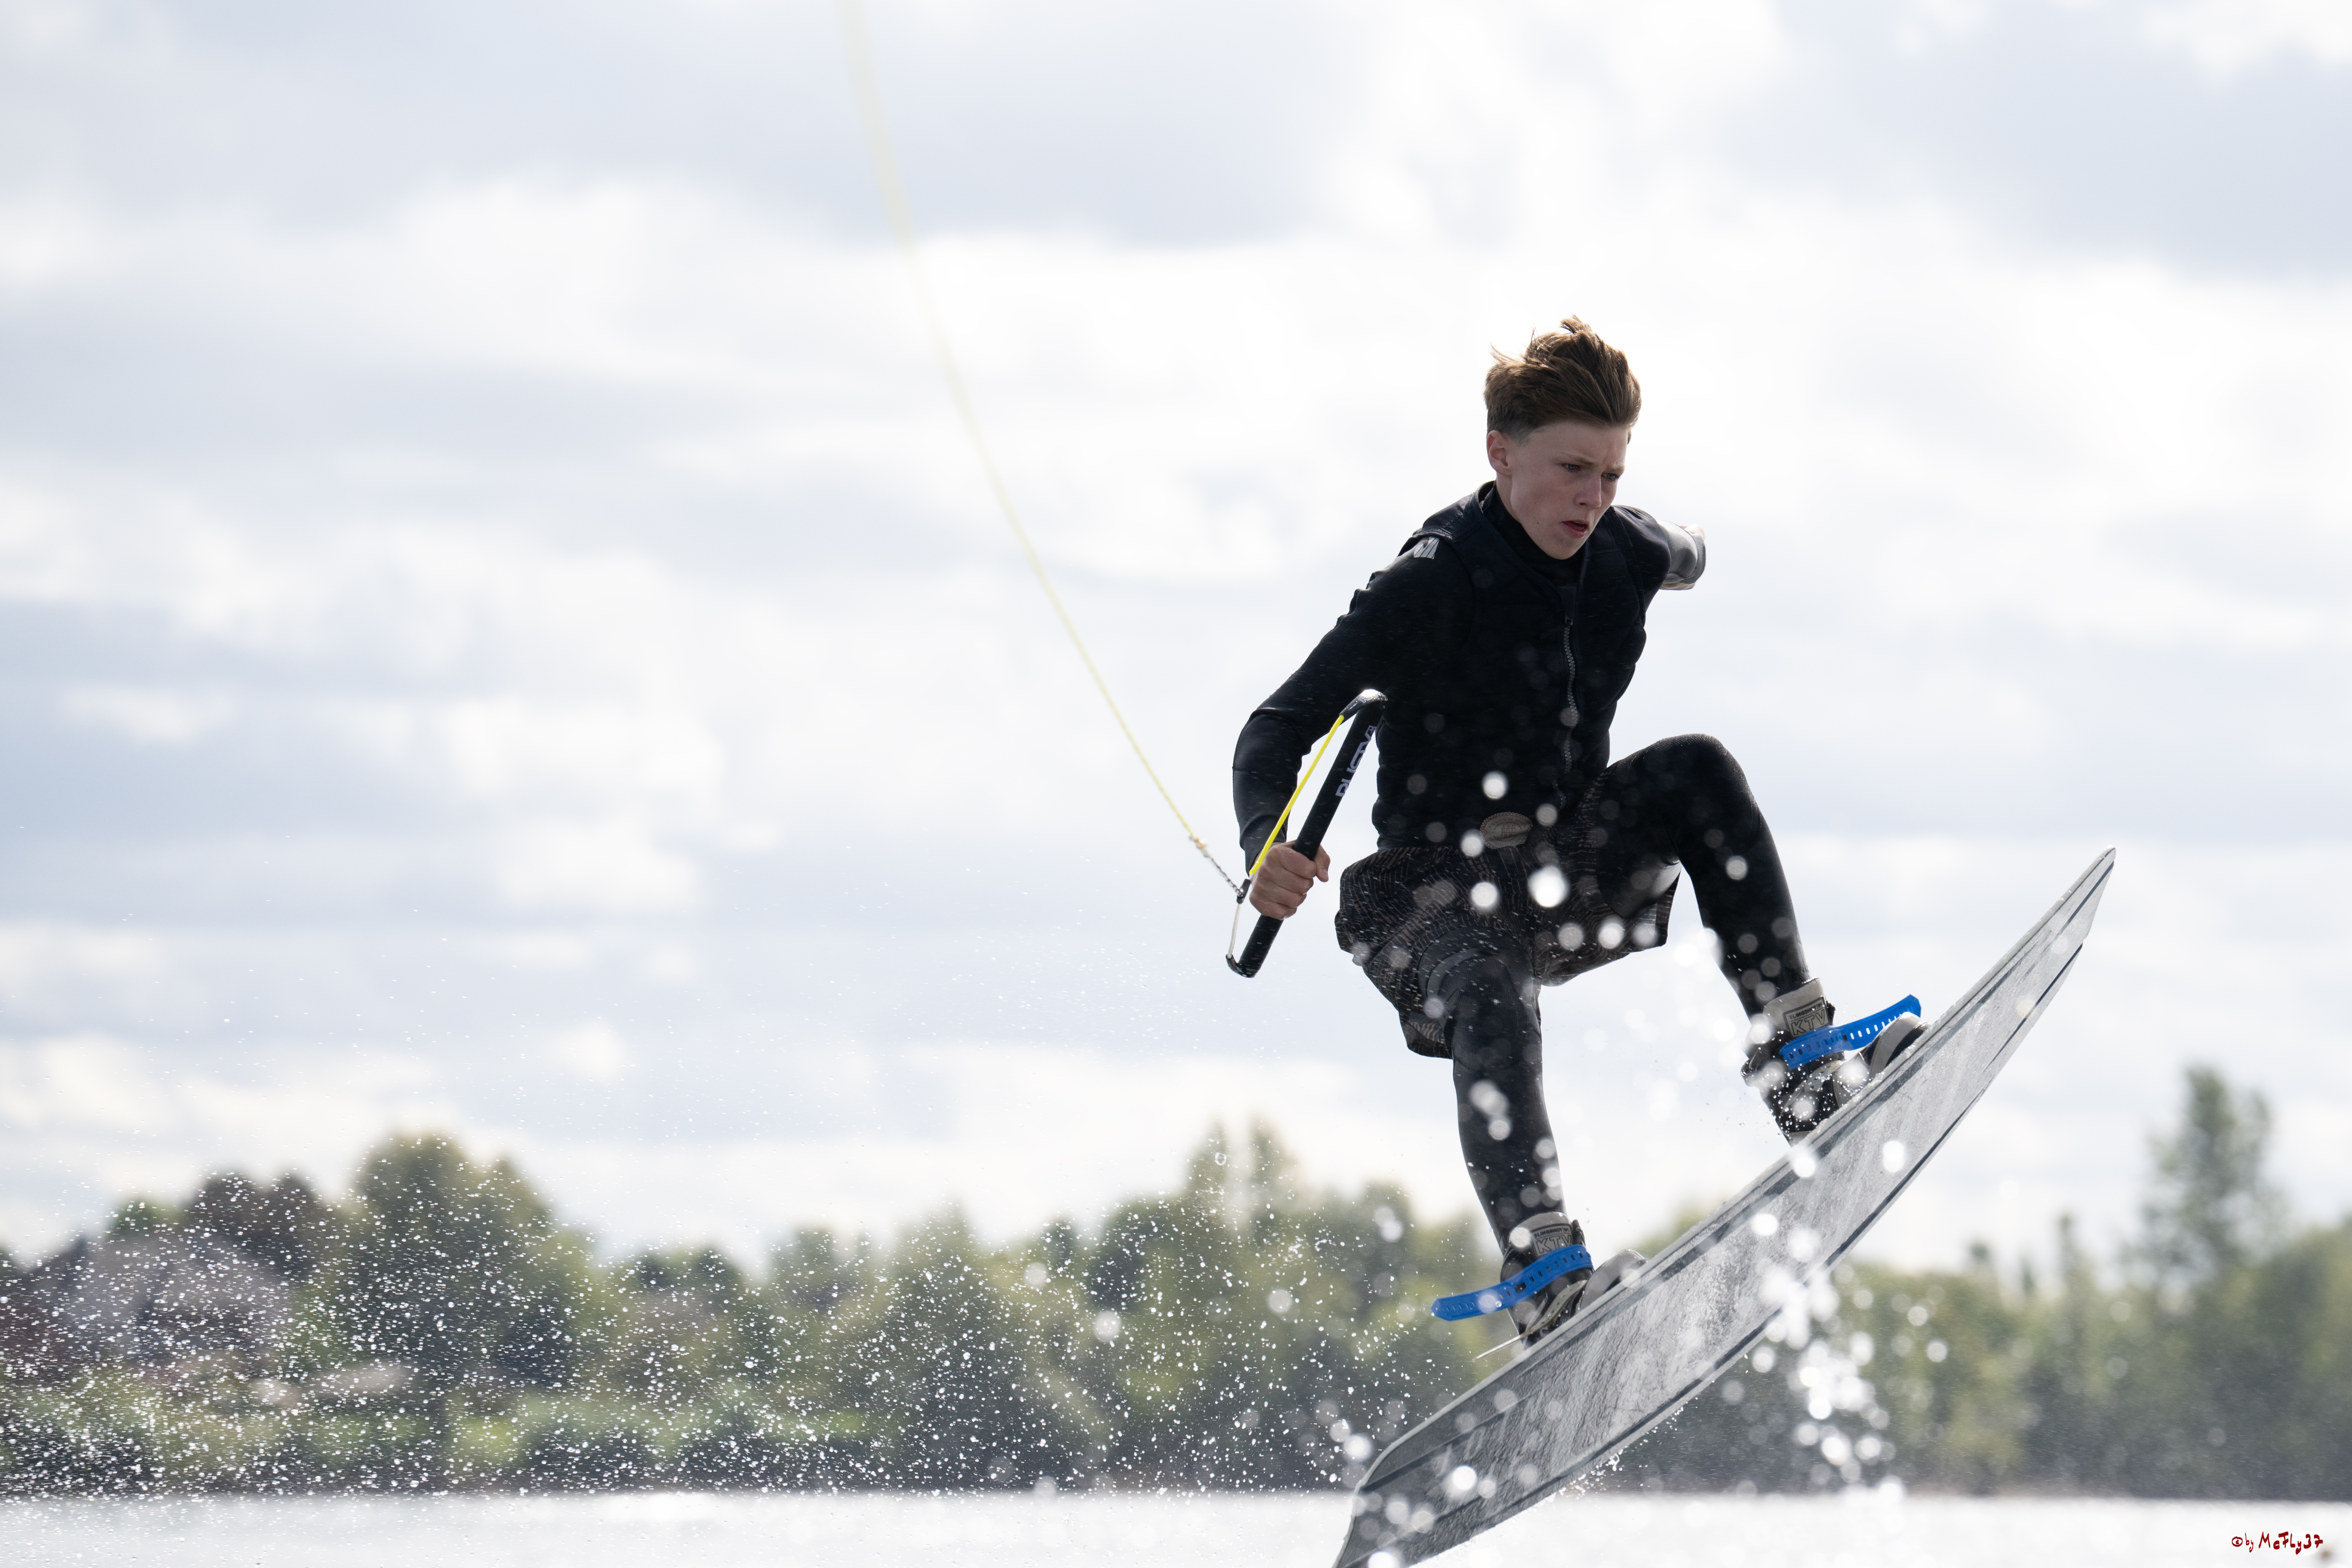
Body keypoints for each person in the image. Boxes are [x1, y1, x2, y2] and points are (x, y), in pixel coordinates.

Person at [1230, 318, 1911, 1345]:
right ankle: (1544, 1270)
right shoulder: (1430, 581)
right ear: (1498, 454)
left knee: (1697, 769)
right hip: (1428, 896)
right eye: (1568, 471)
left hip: (1565, 869)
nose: (1588, 499)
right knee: (1485, 990)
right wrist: (1262, 847)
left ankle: (1802, 1066)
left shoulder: (1627, 546)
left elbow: (1689, 550)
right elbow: (1275, 727)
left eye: (1609, 473)